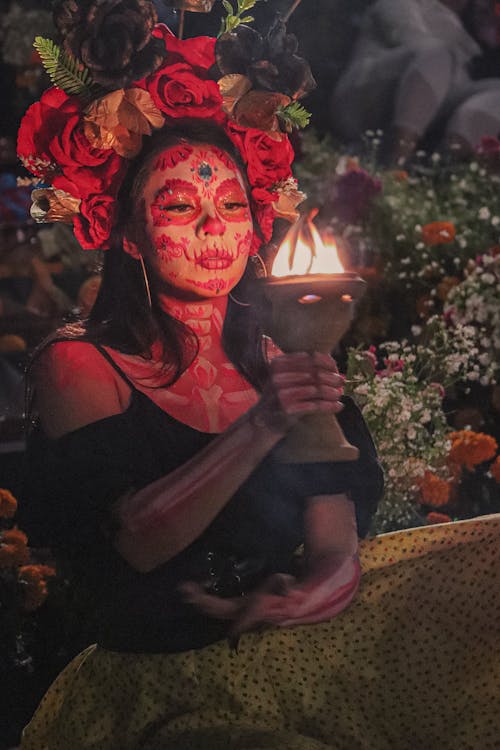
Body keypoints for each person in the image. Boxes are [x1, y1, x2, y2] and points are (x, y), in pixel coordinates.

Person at [17, 2, 500, 749]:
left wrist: (311, 594)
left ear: (255, 225)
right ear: (134, 238)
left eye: (232, 204)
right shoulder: (81, 359)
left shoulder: (282, 357)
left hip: (292, 661)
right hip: (158, 683)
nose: (214, 228)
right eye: (180, 205)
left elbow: (334, 542)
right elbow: (135, 540)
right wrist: (264, 423)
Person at [330, 0, 500, 164]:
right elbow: (407, 36)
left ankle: (446, 164)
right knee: (437, 54)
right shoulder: (403, 3)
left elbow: (462, 84)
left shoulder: (467, 40)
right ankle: (396, 162)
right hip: (365, 97)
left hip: (430, 103)